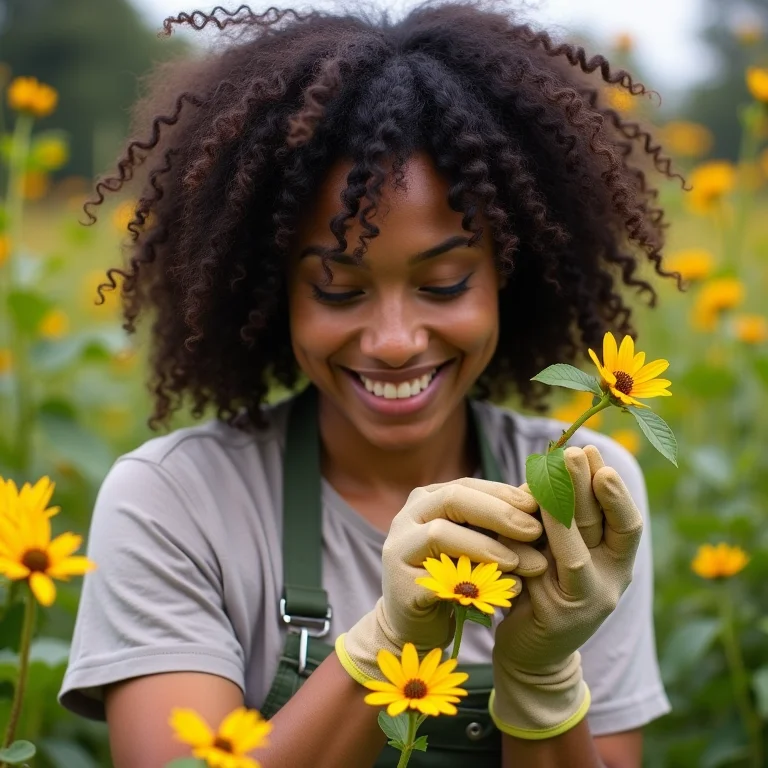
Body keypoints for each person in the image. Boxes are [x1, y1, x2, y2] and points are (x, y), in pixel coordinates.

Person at [58, 3, 678, 766]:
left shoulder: (581, 495)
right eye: (338, 289)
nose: (393, 342)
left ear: (508, 279)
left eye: (445, 283)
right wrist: (385, 639)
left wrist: (542, 671)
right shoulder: (172, 503)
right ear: (267, 291)